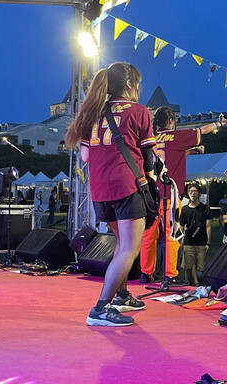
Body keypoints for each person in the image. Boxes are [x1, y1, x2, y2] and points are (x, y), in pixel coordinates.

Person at [65, 62, 154, 327]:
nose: (138, 88)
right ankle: (101, 308)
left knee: (120, 243)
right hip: (127, 187)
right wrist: (150, 181)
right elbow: (148, 157)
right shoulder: (139, 111)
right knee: (129, 247)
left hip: (100, 191)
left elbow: (85, 155)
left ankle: (122, 296)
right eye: (137, 83)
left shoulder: (93, 113)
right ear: (128, 85)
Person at [139, 107, 227, 285]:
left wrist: (191, 152)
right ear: (171, 120)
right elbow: (201, 131)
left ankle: (145, 273)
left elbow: (167, 157)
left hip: (151, 195)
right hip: (170, 194)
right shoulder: (175, 136)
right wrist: (221, 122)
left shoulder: (151, 139)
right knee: (172, 234)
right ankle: (170, 274)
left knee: (149, 233)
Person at [179, 183, 212, 285]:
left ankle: (201, 281)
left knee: (201, 265)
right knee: (189, 263)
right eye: (191, 191)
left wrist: (208, 242)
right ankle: (193, 281)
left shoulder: (205, 208)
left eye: (195, 191)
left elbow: (208, 226)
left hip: (201, 241)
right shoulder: (184, 209)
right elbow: (181, 225)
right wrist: (181, 240)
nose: (193, 194)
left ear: (199, 193)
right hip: (188, 241)